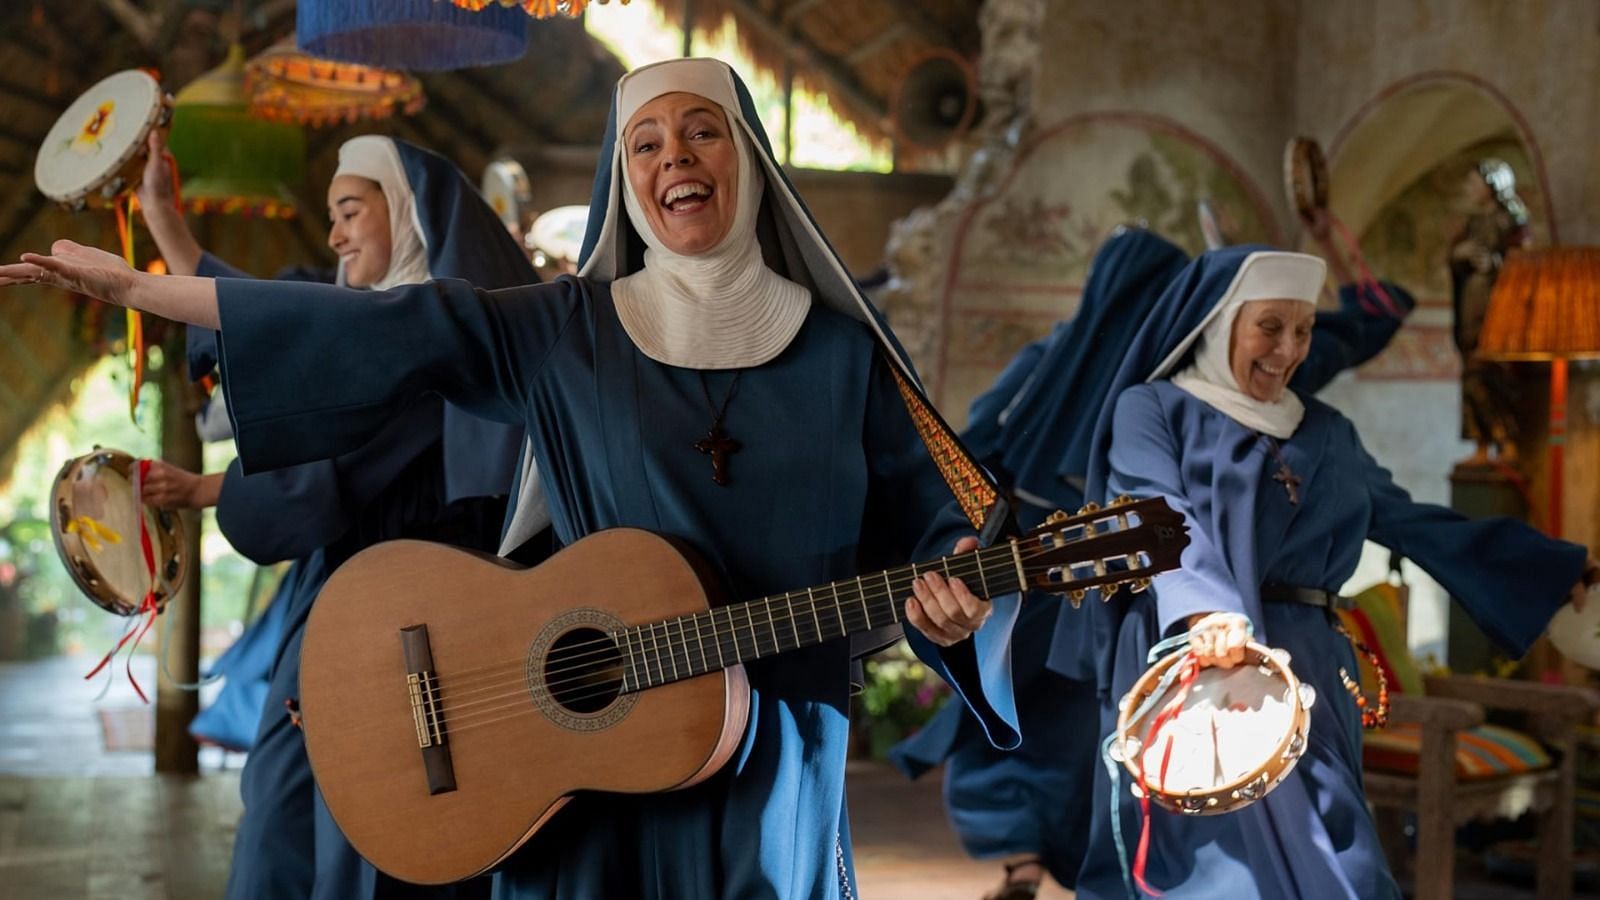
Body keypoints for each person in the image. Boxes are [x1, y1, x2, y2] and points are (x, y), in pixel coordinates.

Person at [4, 57, 1022, 900]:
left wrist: (951, 593)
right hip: (586, 765)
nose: (676, 156)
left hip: (780, 759)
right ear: (627, 179)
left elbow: (940, 520)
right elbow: (379, 328)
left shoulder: (846, 356)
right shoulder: (566, 329)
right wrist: (148, 286)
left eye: (701, 131)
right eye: (645, 141)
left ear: (748, 157)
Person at [890, 229, 1415, 900]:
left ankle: (1023, 863)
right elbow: (1340, 337)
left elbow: (976, 443)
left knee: (1032, 733)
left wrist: (973, 538)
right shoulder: (1158, 390)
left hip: (1034, 570)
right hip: (1118, 581)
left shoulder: (1051, 357)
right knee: (1101, 743)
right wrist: (1372, 294)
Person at [1060, 246, 1594, 899]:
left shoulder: (1327, 431)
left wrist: (1547, 571)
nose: (1288, 350)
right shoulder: (1151, 409)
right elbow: (1154, 511)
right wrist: (1206, 613)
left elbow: (1408, 521)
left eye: (1305, 329)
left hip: (1309, 669)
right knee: (1212, 875)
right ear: (1221, 321)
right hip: (1200, 660)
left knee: (1343, 869)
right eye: (1270, 327)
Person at [134, 130, 535, 900]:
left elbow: (323, 475)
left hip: (406, 615)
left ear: (410, 212)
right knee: (298, 813)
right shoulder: (372, 331)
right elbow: (268, 324)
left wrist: (204, 489)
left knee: (354, 822)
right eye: (331, 214)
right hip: (353, 595)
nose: (334, 234)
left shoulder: (433, 341)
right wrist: (163, 217)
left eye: (351, 210)